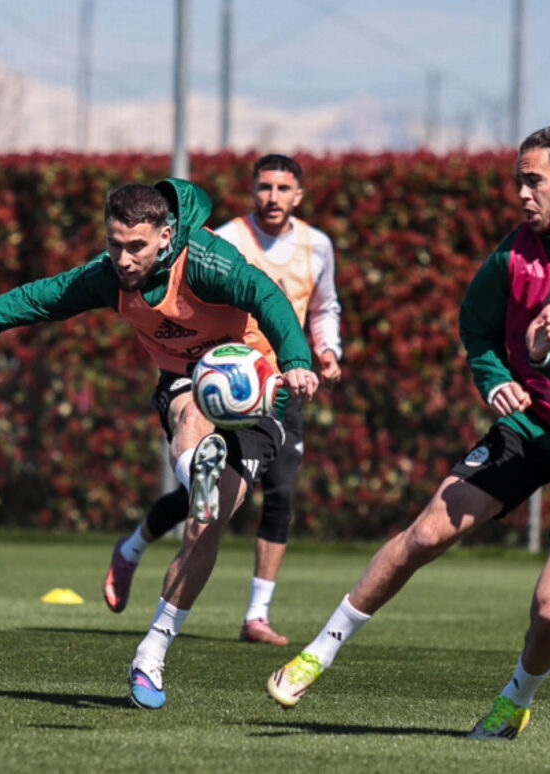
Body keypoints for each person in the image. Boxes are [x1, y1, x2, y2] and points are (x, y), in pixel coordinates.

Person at [265, 126, 550, 740]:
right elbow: (475, 329)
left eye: (533, 181)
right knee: (425, 533)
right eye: (517, 181)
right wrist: (496, 378)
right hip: (534, 424)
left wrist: (545, 357)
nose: (521, 194)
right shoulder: (516, 251)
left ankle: (515, 702)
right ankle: (322, 649)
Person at [0, 180, 320, 710]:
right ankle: (200, 472)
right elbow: (32, 300)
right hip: (186, 383)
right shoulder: (109, 277)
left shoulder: (209, 264)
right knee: (191, 411)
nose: (123, 259)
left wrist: (297, 360)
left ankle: (154, 644)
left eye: (136, 247)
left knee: (208, 523)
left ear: (166, 236)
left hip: (260, 390)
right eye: (114, 244)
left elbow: (267, 295)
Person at [103, 154, 343, 648]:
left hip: (281, 376)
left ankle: (257, 613)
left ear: (298, 195)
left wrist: (325, 351)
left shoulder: (317, 245)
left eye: (283, 188)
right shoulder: (228, 238)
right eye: (264, 187)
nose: (272, 196)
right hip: (217, 374)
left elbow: (324, 305)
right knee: (209, 493)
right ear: (253, 191)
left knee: (279, 490)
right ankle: (135, 546)